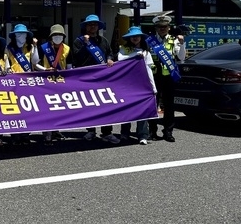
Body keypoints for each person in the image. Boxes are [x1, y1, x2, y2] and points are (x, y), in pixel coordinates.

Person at [72, 14, 119, 144]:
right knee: (89, 105)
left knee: (106, 104)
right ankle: (91, 130)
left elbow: (110, 52)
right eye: (90, 24)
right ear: (85, 27)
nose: (92, 26)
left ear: (98, 26)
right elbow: (76, 57)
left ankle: (107, 132)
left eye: (95, 24)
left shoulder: (103, 40)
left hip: (102, 78)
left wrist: (110, 58)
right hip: (86, 78)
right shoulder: (79, 41)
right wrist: (86, 44)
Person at [148, 15, 186, 142]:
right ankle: (152, 131)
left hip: (169, 77)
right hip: (154, 77)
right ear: (156, 28)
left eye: (164, 27)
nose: (162, 29)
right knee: (153, 104)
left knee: (169, 105)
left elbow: (181, 58)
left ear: (169, 28)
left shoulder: (174, 40)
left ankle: (168, 131)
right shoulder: (149, 41)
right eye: (159, 27)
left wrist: (182, 44)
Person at [117, 26, 157, 145]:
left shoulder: (146, 52)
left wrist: (153, 87)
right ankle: (124, 134)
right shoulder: (123, 49)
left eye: (137, 36)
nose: (135, 38)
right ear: (129, 38)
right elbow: (120, 60)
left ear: (141, 37)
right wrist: (135, 57)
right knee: (127, 110)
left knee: (142, 110)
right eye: (133, 36)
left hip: (142, 85)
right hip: (127, 85)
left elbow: (149, 70)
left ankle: (142, 135)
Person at [35, 24, 72, 145]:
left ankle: (56, 130)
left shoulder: (67, 49)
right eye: (55, 35)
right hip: (46, 81)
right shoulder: (43, 48)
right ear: (51, 37)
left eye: (60, 35)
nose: (57, 37)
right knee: (47, 108)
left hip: (61, 82)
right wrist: (45, 70)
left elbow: (69, 66)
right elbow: (35, 64)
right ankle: (47, 133)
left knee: (59, 107)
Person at [5, 23, 39, 145]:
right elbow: (6, 63)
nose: (21, 36)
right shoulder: (9, 48)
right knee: (14, 109)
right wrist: (8, 71)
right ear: (14, 36)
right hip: (13, 82)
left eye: (24, 34)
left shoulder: (29, 48)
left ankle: (25, 134)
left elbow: (35, 61)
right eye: (19, 34)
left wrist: (35, 46)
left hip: (27, 82)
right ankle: (15, 135)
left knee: (26, 109)